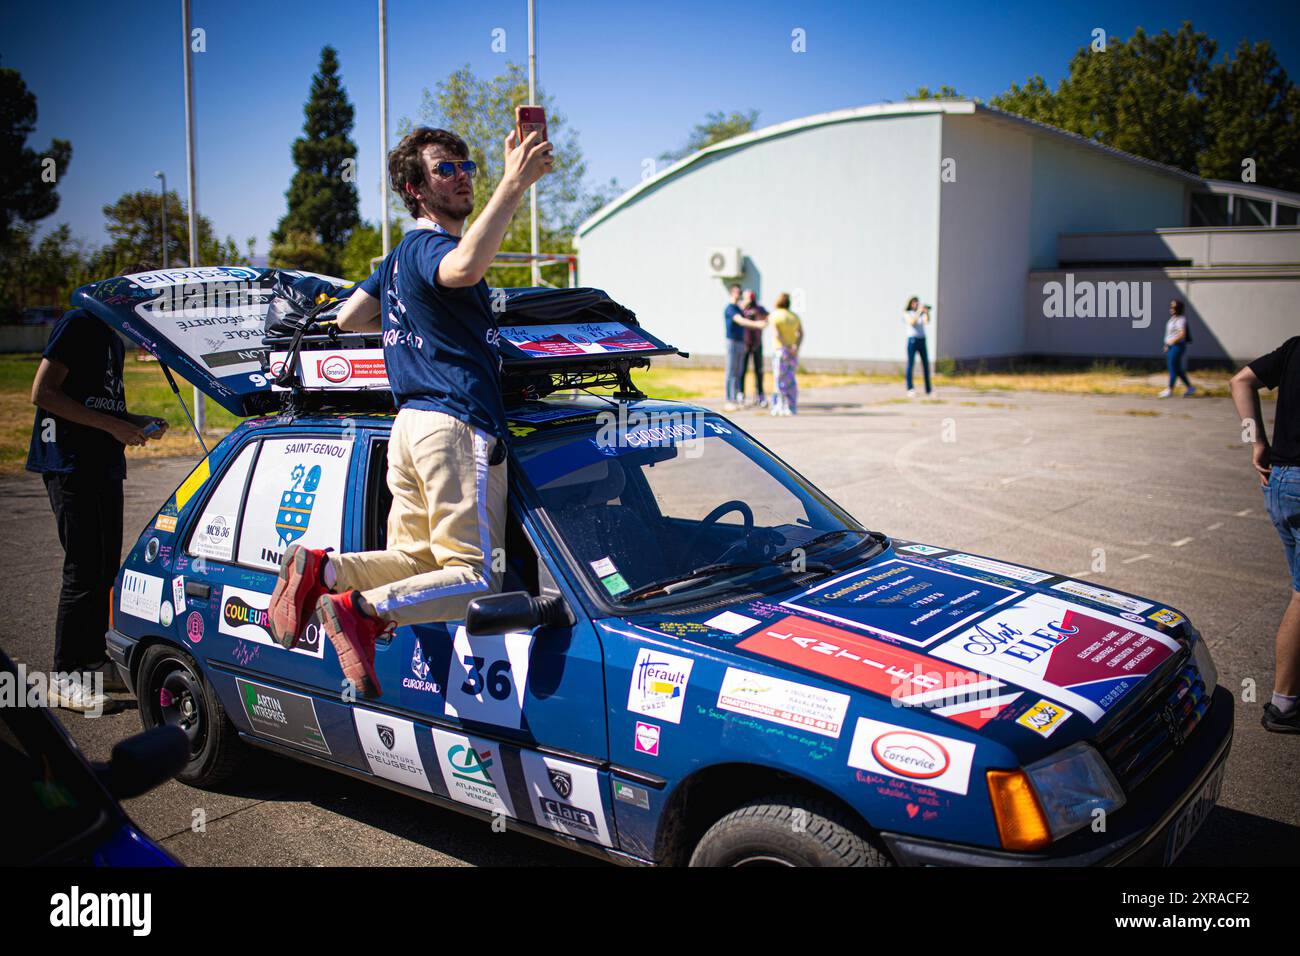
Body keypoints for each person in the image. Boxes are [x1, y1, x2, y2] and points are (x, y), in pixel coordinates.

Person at [267, 125, 555, 697]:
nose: (463, 175)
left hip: (410, 428)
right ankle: (361, 612)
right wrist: (515, 182)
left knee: (417, 560)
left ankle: (322, 571)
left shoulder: (396, 257)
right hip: (455, 423)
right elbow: (464, 270)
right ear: (414, 188)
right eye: (445, 169)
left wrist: (417, 323)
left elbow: (350, 319)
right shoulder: (428, 248)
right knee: (476, 577)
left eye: (466, 165)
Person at [27, 308, 168, 712]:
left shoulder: (113, 338)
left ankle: (91, 661)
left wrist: (134, 421)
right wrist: (113, 427)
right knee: (83, 569)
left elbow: (99, 405)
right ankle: (65, 673)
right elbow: (43, 393)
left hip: (104, 463)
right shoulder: (79, 324)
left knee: (105, 567)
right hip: (70, 463)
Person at [1231, 337, 1300, 732]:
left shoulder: (1294, 348)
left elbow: (1240, 381)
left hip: (1282, 480)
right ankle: (1284, 705)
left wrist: (1256, 442)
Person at [769, 292, 802, 416]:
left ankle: (778, 405)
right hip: (793, 352)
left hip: (780, 350)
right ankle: (791, 406)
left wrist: (786, 346)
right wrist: (795, 346)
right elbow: (801, 333)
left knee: (779, 378)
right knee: (790, 378)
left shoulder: (775, 315)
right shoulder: (794, 317)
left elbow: (777, 333)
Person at [1160, 299, 1195, 398]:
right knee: (1178, 369)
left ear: (1178, 308)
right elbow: (1170, 334)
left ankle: (1170, 390)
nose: (1171, 308)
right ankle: (1190, 387)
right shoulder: (1172, 319)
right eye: (1170, 306)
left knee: (1172, 367)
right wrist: (1167, 344)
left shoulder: (1180, 319)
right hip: (1171, 346)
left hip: (1177, 346)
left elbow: (1182, 334)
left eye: (1173, 307)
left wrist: (1172, 342)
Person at [740, 289, 769, 406]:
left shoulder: (759, 308)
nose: (750, 300)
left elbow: (768, 318)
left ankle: (760, 395)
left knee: (758, 371)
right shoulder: (741, 309)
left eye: (751, 297)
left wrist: (762, 321)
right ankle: (741, 393)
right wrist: (743, 306)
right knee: (742, 370)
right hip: (745, 343)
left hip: (757, 343)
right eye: (747, 297)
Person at [903, 296, 931, 397]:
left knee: (925, 365)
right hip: (912, 341)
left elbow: (927, 321)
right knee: (911, 364)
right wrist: (919, 312)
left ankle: (928, 389)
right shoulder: (907, 313)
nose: (916, 305)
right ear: (910, 304)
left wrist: (926, 312)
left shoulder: (921, 314)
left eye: (917, 303)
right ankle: (910, 388)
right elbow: (912, 322)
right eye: (914, 303)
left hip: (922, 340)